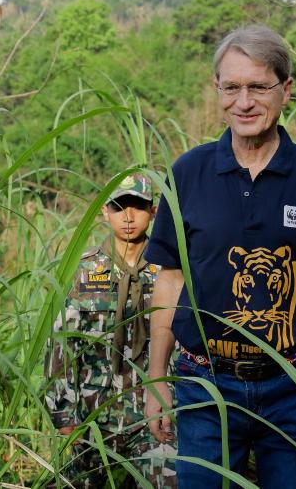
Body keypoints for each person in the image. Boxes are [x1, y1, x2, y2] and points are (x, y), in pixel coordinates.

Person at [143, 25, 296, 488]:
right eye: (232, 87)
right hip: (204, 385)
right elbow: (169, 282)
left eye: (258, 86)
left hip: (293, 384)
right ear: (218, 90)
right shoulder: (188, 174)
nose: (243, 102)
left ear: (285, 89)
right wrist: (156, 379)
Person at [45, 173, 177, 488]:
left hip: (152, 414)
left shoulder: (169, 272)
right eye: (119, 207)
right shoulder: (84, 269)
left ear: (154, 210)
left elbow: (184, 344)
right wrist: (63, 415)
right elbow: (62, 345)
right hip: (92, 413)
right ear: (105, 211)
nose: (128, 217)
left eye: (138, 207)